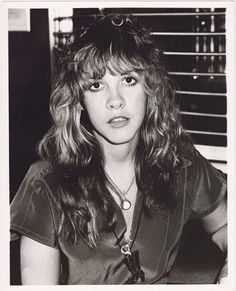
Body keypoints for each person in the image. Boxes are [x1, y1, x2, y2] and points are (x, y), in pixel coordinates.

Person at [10, 14, 227, 285]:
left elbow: (224, 225)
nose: (116, 101)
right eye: (97, 85)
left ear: (151, 89)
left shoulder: (180, 163)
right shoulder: (45, 185)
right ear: (78, 101)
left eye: (128, 80)